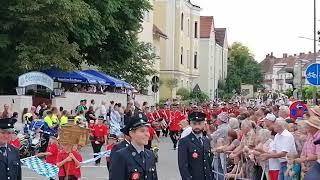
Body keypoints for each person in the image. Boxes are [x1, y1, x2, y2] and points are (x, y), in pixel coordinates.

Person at [110, 112, 158, 180]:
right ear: (131, 134)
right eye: (142, 131)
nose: (147, 134)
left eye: (147, 131)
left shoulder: (150, 155)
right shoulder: (121, 156)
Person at [178, 111, 213, 180]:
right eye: (194, 124)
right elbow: (183, 166)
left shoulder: (206, 140)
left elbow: (208, 163)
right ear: (190, 124)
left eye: (199, 123)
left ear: (204, 124)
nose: (197, 126)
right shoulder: (184, 141)